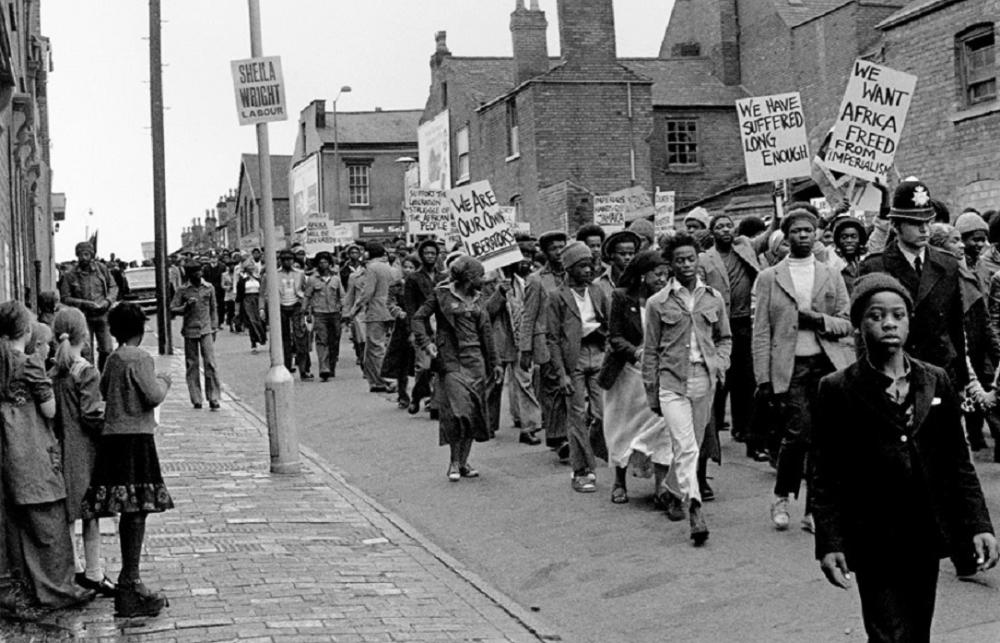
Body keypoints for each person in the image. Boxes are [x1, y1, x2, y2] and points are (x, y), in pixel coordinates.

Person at [811, 273, 998, 642]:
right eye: (876, 316)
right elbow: (826, 473)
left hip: (923, 530)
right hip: (871, 534)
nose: (889, 323)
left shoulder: (935, 380)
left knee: (916, 630)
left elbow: (957, 463)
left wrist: (979, 524)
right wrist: (829, 543)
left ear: (910, 322)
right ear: (858, 325)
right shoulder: (837, 389)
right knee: (886, 634)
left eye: (898, 315)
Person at [752, 208, 854, 532]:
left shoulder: (830, 273)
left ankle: (815, 509)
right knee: (798, 434)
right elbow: (762, 331)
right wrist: (763, 378)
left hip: (826, 363)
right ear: (786, 236)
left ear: (818, 234)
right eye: (796, 231)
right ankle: (782, 496)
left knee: (825, 439)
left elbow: (847, 322)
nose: (803, 236)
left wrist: (819, 320)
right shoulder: (770, 277)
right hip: (791, 365)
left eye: (809, 230)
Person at [0, 301, 95, 612]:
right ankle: (56, 587)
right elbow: (50, 410)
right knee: (47, 517)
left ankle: (22, 585)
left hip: (5, 443)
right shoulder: (28, 364)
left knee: (15, 523)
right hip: (30, 443)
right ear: (27, 331)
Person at [82, 303, 172, 617]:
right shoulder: (141, 358)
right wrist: (164, 382)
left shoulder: (112, 359)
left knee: (126, 509)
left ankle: (128, 582)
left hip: (113, 440)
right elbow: (153, 396)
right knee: (137, 512)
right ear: (141, 329)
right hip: (137, 440)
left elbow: (105, 390)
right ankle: (130, 581)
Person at [643, 233, 731, 545]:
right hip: (671, 382)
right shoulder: (658, 303)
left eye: (690, 259)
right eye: (679, 260)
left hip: (704, 379)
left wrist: (721, 363)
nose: (686, 265)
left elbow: (724, 337)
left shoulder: (713, 297)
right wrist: (651, 391)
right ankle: (694, 508)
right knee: (687, 446)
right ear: (670, 264)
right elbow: (650, 351)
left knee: (690, 444)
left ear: (697, 260)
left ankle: (670, 487)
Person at [859, 180, 967, 387]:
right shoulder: (875, 267)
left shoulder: (947, 264)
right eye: (916, 224)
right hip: (893, 372)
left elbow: (955, 326)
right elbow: (864, 333)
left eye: (928, 222)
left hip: (941, 372)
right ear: (896, 225)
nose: (925, 230)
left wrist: (961, 380)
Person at [411, 256, 501, 481]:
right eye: (480, 275)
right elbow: (419, 317)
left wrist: (495, 363)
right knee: (457, 413)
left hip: (476, 362)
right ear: (469, 277)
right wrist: (427, 342)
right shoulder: (442, 294)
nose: (484, 279)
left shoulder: (481, 299)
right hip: (452, 361)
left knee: (472, 413)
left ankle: (464, 462)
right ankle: (453, 460)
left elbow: (487, 333)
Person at [50, 307, 115, 598]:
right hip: (83, 451)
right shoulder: (86, 371)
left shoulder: (53, 371)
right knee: (91, 514)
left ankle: (74, 568)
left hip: (57, 448)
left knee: (67, 516)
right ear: (84, 334)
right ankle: (94, 572)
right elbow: (90, 415)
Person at [598, 250, 670, 505]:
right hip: (627, 375)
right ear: (643, 275)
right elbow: (614, 336)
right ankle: (619, 481)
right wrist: (635, 352)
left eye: (666, 274)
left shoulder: (669, 298)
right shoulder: (621, 297)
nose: (663, 279)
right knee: (621, 429)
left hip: (659, 374)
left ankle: (661, 484)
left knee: (663, 427)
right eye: (657, 274)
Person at [547, 241, 611, 493]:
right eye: (582, 266)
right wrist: (561, 373)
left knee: (601, 413)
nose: (587, 270)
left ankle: (593, 452)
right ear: (570, 268)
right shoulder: (557, 297)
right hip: (572, 359)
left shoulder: (597, 292)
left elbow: (608, 321)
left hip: (598, 353)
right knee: (576, 416)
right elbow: (551, 337)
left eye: (590, 265)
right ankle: (581, 470)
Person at [519, 230, 569, 458]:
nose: (559, 252)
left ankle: (572, 432)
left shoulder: (574, 274)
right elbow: (528, 316)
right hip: (546, 341)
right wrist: (525, 349)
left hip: (571, 340)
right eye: (553, 248)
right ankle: (558, 437)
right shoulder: (536, 280)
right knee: (552, 389)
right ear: (546, 253)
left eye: (562, 247)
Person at [59, 241, 118, 370]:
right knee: (86, 351)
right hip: (83, 317)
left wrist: (107, 301)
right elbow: (64, 297)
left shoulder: (102, 269)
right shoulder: (70, 275)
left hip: (102, 315)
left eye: (86, 254)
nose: (83, 258)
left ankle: (104, 378)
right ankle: (89, 377)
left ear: (92, 255)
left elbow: (113, 287)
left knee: (107, 349)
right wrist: (84, 304)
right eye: (80, 255)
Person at [170, 261, 220, 410]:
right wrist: (185, 307)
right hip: (190, 330)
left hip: (206, 329)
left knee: (210, 363)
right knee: (192, 365)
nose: (198, 274)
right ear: (189, 275)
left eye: (199, 271)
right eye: (195, 272)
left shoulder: (209, 287)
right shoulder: (183, 290)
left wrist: (214, 327)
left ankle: (214, 397)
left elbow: (213, 309)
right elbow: (173, 308)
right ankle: (196, 398)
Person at [404, 239, 445, 416]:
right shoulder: (413, 279)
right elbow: (410, 306)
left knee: (440, 367)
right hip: (423, 326)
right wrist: (413, 331)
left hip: (442, 327)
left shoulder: (443, 277)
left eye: (433, 253)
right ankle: (416, 395)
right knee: (424, 366)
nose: (430, 256)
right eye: (426, 253)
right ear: (421, 256)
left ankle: (435, 403)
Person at [262, 249, 312, 380]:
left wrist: (307, 309)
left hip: (296, 306)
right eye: (284, 260)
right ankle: (285, 366)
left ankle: (304, 369)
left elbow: (306, 292)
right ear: (280, 261)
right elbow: (263, 294)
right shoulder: (272, 275)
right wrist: (262, 309)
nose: (287, 262)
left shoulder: (300, 274)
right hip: (280, 307)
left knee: (301, 338)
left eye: (290, 259)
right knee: (283, 339)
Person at [354, 242, 397, 393]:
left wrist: (355, 309)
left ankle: (386, 380)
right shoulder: (392, 269)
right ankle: (376, 380)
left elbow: (367, 292)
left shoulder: (372, 268)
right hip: (392, 310)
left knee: (375, 347)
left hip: (376, 311)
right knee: (381, 346)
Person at [381, 254, 417, 407]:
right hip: (402, 327)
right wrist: (399, 312)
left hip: (419, 325)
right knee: (401, 362)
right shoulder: (396, 285)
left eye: (412, 267)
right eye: (406, 267)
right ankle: (403, 395)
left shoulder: (421, 284)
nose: (408, 270)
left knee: (423, 363)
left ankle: (426, 395)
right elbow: (390, 303)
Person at [303, 251, 345, 381]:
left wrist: (345, 311)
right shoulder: (312, 280)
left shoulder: (336, 279)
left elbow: (342, 296)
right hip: (319, 313)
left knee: (334, 340)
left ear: (330, 264)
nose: (323, 264)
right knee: (322, 340)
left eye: (325, 262)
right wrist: (305, 311)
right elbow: (307, 296)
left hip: (335, 313)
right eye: (320, 262)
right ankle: (323, 367)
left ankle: (331, 366)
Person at [594, 230, 640, 300]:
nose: (627, 257)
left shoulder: (641, 283)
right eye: (622, 254)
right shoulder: (598, 285)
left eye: (631, 254)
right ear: (612, 255)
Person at [826, 216, 867, 294]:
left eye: (853, 237)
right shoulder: (831, 260)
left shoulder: (865, 260)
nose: (849, 241)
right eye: (844, 237)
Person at [237, 263, 266, 353]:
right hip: (247, 301)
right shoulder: (242, 281)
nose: (251, 270)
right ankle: (253, 343)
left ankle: (262, 337)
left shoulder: (258, 279)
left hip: (258, 299)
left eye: (252, 268)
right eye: (250, 268)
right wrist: (238, 309)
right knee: (251, 321)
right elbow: (239, 295)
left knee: (260, 320)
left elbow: (262, 291)